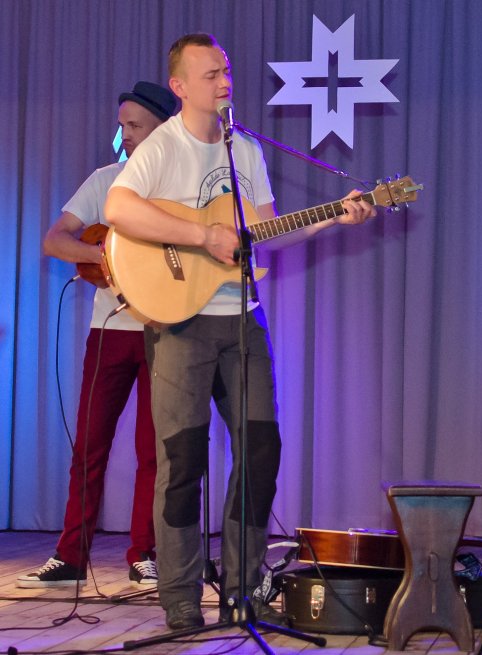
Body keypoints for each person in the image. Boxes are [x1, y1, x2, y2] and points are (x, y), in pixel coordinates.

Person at [104, 33, 376, 630]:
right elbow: (117, 209)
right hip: (181, 324)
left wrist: (335, 215)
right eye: (210, 74)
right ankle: (180, 599)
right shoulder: (164, 146)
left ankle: (242, 588)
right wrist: (202, 235)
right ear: (179, 86)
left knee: (260, 451)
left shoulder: (243, 150)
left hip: (242, 317)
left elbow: (266, 231)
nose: (224, 82)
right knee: (182, 463)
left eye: (226, 71)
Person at [18, 82, 177, 589]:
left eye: (135, 125)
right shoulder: (105, 180)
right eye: (122, 124)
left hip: (167, 333)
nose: (125, 134)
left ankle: (143, 554)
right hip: (108, 331)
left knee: (154, 451)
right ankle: (70, 557)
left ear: (163, 129)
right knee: (88, 446)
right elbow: (55, 240)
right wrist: (105, 256)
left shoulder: (183, 188)